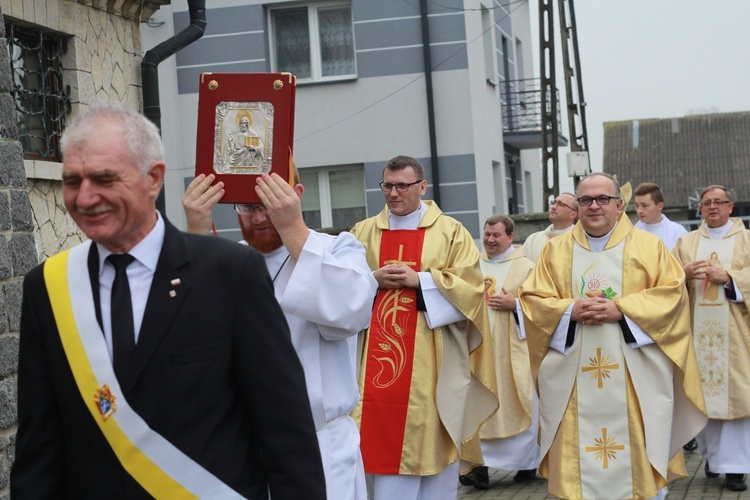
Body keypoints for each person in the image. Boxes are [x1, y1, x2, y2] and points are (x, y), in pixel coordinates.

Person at [10, 102, 326, 499]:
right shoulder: (48, 287)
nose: (85, 198)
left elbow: (286, 434)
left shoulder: (230, 274)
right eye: (73, 181)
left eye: (104, 179)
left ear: (153, 179)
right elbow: (39, 448)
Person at [182, 166, 379, 500]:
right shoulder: (227, 260)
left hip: (320, 446)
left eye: (268, 204)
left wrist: (292, 228)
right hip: (243, 448)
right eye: (247, 206)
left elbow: (353, 310)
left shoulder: (337, 249)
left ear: (295, 197)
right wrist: (197, 237)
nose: (258, 217)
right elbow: (191, 335)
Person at [519, 172, 706, 500]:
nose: (594, 206)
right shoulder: (555, 252)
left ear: (620, 206)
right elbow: (532, 301)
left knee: (640, 464)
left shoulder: (649, 248)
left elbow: (673, 297)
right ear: (576, 207)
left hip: (636, 374)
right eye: (586, 200)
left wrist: (622, 310)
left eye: (603, 199)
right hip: (572, 377)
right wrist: (570, 311)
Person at [348, 155, 498, 500]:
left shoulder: (450, 232)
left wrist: (423, 281)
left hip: (432, 363)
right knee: (372, 444)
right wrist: (373, 280)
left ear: (422, 187)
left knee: (431, 437)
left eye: (402, 185)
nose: (393, 193)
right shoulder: (363, 232)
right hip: (373, 365)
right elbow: (344, 286)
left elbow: (472, 290)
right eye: (387, 185)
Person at [672, 185, 750, 492]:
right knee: (701, 400)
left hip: (737, 339)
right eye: (707, 203)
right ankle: (713, 458)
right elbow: (664, 282)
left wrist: (730, 278)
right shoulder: (686, 242)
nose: (713, 207)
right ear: (699, 209)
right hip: (695, 336)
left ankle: (736, 468)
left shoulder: (746, 240)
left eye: (719, 202)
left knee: (735, 402)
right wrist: (684, 275)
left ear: (731, 207)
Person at [459, 215, 538, 490]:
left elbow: (542, 308)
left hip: (511, 350)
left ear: (510, 237)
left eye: (496, 235)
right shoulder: (470, 266)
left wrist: (515, 304)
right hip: (476, 349)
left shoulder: (526, 267)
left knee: (517, 400)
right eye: (487, 234)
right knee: (475, 403)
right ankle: (477, 468)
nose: (490, 240)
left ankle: (526, 463)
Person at [522, 192, 578, 262]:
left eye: (561, 204)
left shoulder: (579, 240)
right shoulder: (533, 240)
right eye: (553, 202)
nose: (553, 207)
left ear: (573, 214)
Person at [633, 182, 687, 250]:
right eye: (637, 206)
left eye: (644, 206)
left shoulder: (678, 232)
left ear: (660, 206)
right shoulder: (631, 234)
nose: (639, 211)